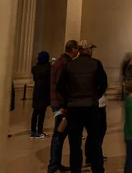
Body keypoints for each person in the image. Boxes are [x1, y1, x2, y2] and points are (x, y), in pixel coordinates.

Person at [57, 40, 108, 173]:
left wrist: (69, 99)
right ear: (88, 50)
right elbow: (103, 84)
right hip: (91, 107)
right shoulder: (96, 64)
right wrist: (95, 96)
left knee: (75, 144)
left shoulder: (70, 65)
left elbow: (60, 86)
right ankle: (97, 169)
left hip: (74, 108)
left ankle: (76, 170)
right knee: (95, 142)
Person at [47, 40, 79, 173]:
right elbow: (62, 86)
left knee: (59, 135)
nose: (78, 51)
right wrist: (65, 105)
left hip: (58, 103)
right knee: (58, 136)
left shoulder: (59, 61)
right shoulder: (65, 63)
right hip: (62, 105)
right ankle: (53, 165)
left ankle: (56, 164)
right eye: (77, 48)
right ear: (72, 49)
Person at [31, 51, 52, 138]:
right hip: (45, 91)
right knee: (42, 113)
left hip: (36, 91)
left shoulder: (35, 68)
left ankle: (33, 130)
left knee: (35, 112)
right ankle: (40, 130)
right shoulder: (49, 68)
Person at [85, 93, 108, 167]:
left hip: (101, 103)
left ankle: (95, 153)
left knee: (101, 130)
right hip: (95, 104)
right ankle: (91, 156)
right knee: (95, 132)